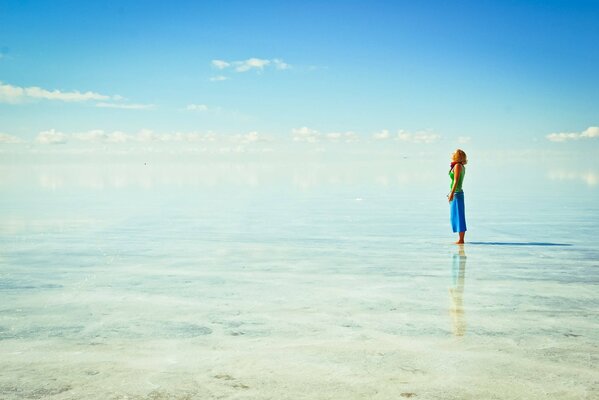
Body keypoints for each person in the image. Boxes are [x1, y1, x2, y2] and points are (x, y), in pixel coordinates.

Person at [448, 149, 467, 244]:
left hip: (457, 193)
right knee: (455, 216)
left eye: (453, 153)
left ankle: (461, 239)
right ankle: (460, 239)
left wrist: (452, 193)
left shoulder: (458, 166)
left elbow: (455, 181)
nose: (452, 154)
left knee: (459, 217)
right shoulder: (459, 166)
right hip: (456, 193)